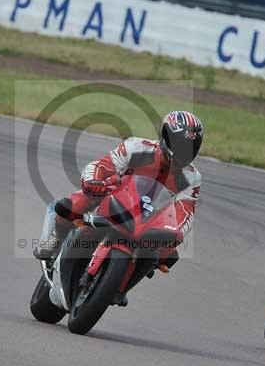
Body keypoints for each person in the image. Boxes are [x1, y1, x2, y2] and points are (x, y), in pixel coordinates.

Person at [34, 111, 204, 278]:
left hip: (151, 218)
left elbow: (186, 210)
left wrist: (177, 232)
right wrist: (92, 182)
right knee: (69, 206)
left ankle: (121, 285)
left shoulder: (192, 177)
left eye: (191, 146)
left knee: (168, 255)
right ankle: (57, 241)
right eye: (181, 145)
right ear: (166, 137)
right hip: (115, 196)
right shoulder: (138, 148)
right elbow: (102, 165)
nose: (185, 151)